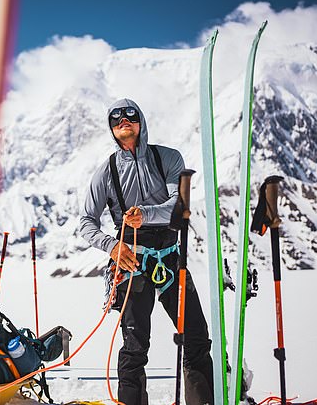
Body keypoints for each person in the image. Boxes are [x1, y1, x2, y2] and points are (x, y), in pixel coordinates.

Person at [78, 98, 214, 405]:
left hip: (169, 258)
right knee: (135, 345)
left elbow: (178, 206)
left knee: (195, 336)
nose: (123, 121)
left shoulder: (167, 158)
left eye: (130, 115)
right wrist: (112, 247)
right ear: (111, 128)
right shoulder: (106, 172)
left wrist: (146, 214)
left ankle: (203, 400)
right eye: (116, 119)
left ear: (141, 120)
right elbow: (86, 222)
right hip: (131, 264)